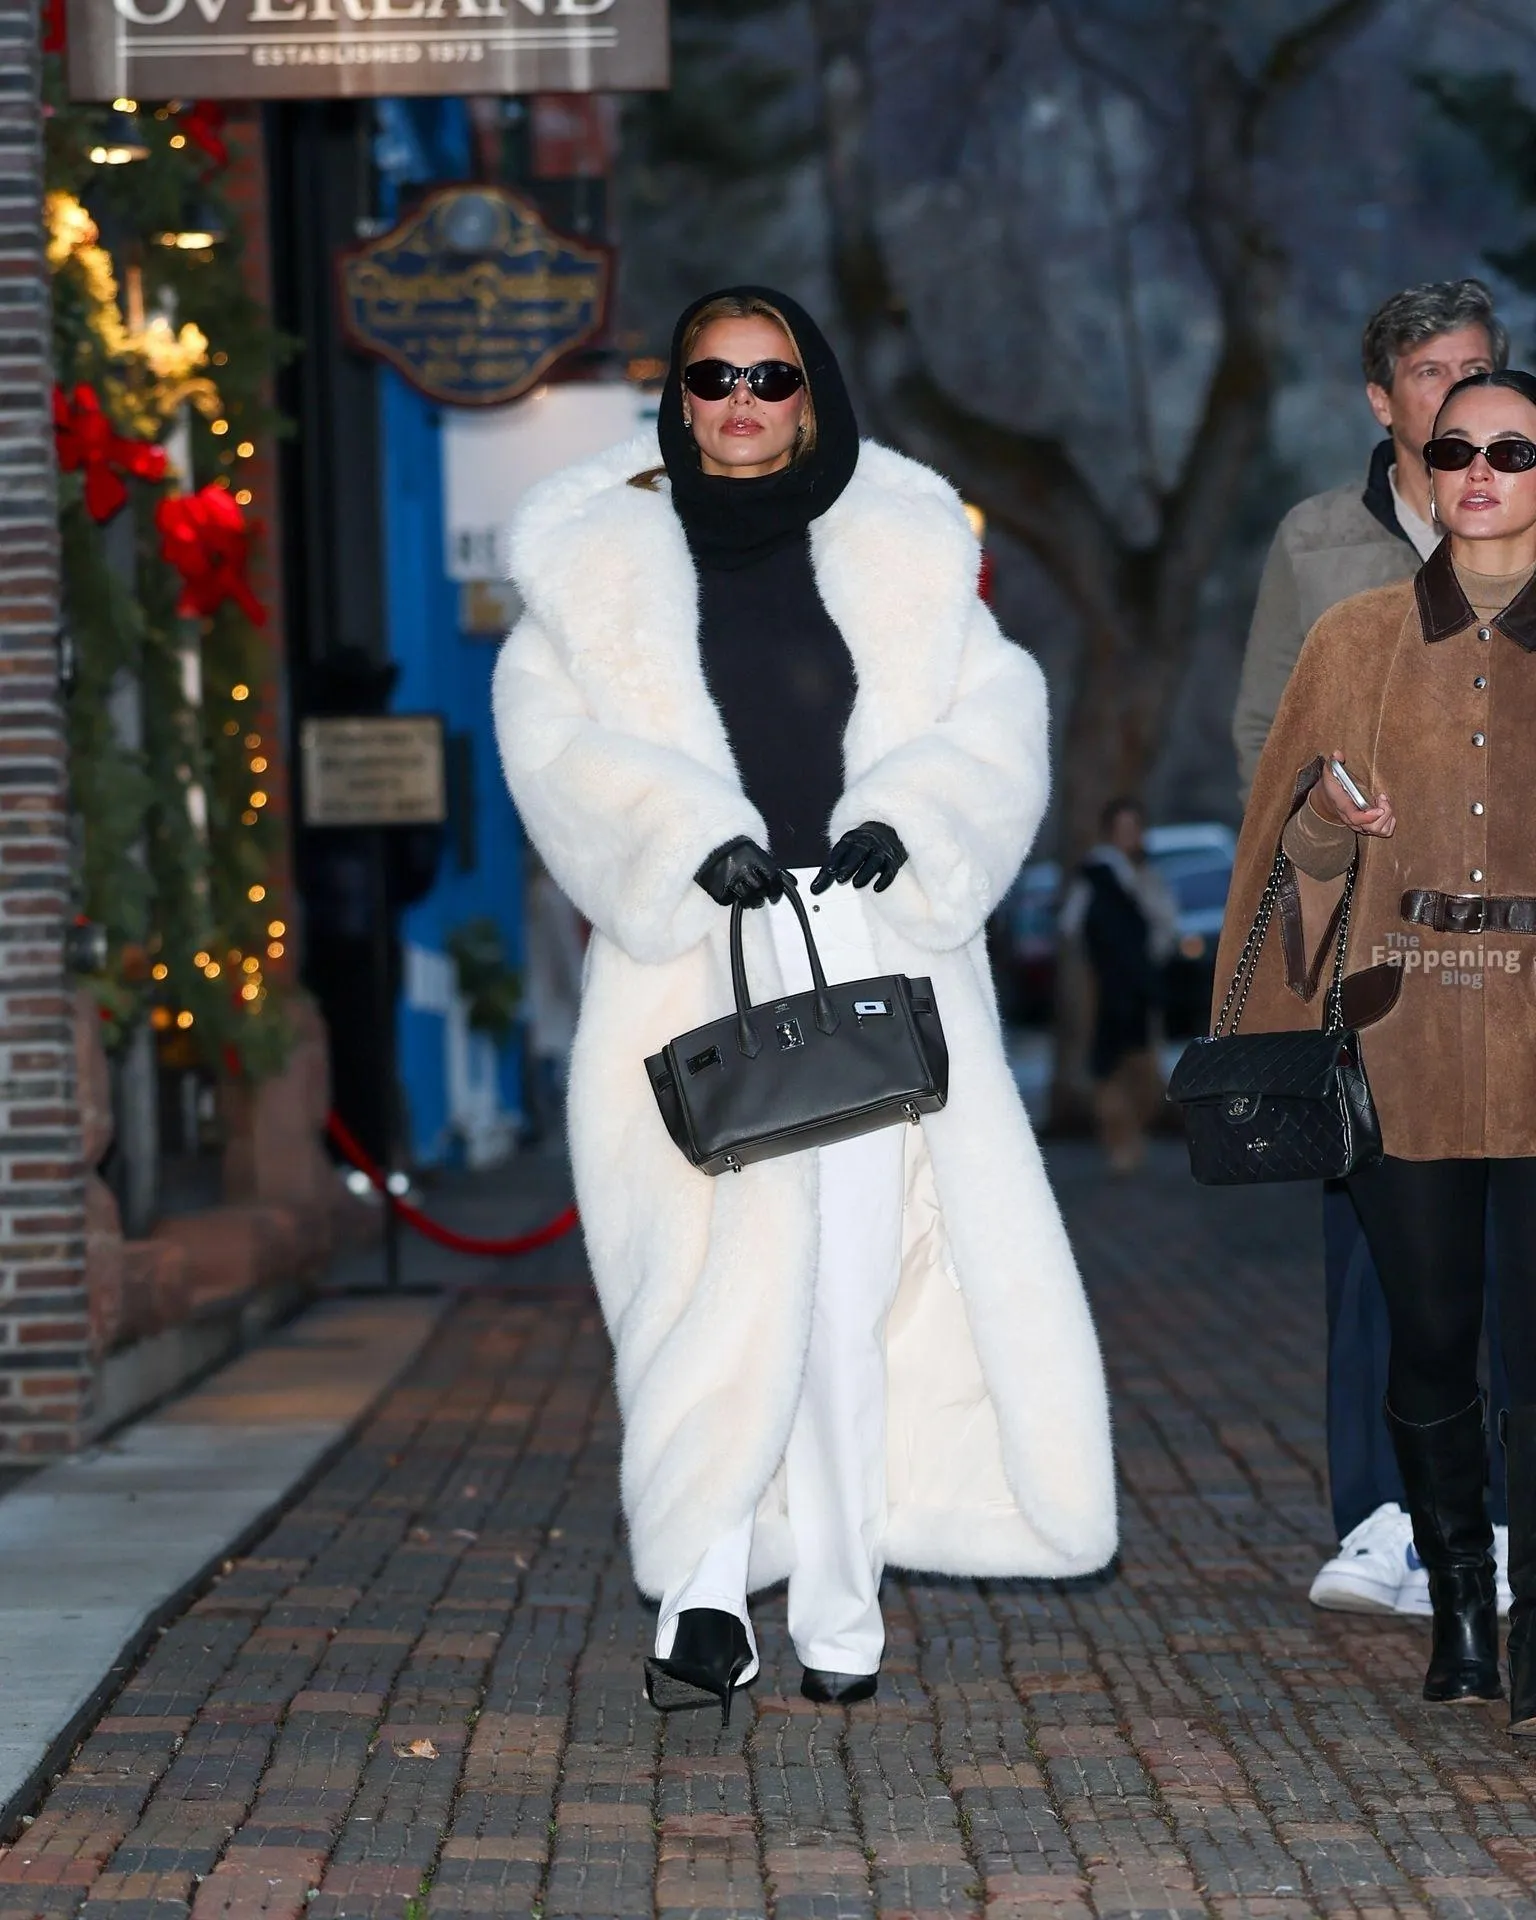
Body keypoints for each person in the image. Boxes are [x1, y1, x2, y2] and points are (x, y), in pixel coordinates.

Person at [492, 286, 1116, 1720]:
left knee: (842, 1301)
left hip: (860, 947)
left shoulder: (903, 543)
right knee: (696, 1288)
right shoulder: (596, 564)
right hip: (685, 960)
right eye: (713, 378)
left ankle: (840, 1604)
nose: (741, 403)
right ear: (679, 396)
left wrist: (912, 816)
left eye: (770, 378)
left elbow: (995, 715)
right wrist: (679, 835)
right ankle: (706, 1590)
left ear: (811, 394)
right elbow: (550, 743)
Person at [1219, 367, 1536, 1730]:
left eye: (1512, 451)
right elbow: (1282, 854)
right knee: (1432, 1337)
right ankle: (1460, 1598)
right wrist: (1327, 822)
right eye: (1456, 450)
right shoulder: (1352, 637)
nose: (1479, 473)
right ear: (1424, 465)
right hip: (1404, 1039)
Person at [1059, 798, 1179, 1174]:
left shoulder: (1146, 875)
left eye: (1134, 827)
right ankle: (1120, 1143)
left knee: (1142, 1067)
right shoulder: (1096, 874)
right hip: (1107, 988)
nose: (1130, 835)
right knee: (1108, 1068)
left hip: (1141, 988)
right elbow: (1071, 924)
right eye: (1123, 828)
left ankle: (1132, 1138)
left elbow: (1167, 925)